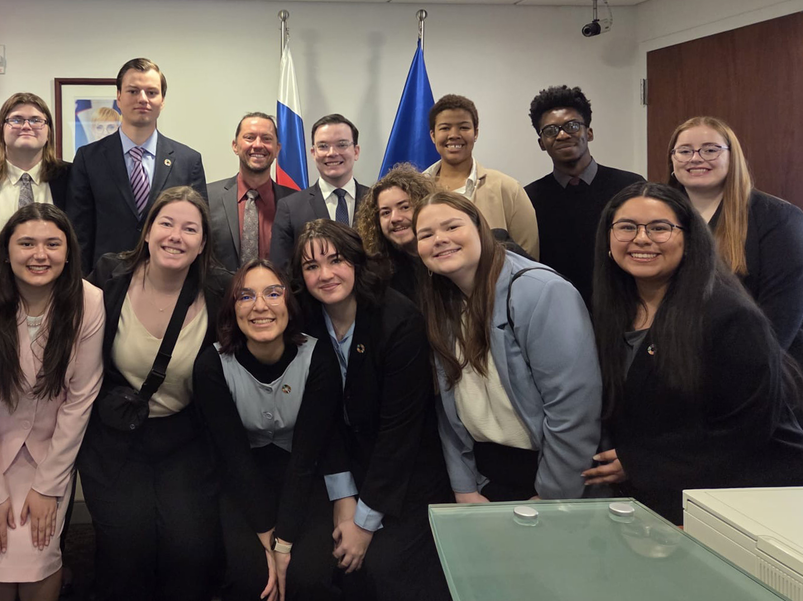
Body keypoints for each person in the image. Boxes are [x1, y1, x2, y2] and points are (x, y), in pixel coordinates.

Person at [583, 182, 803, 524]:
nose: (642, 238)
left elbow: (749, 430)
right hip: (651, 497)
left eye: (659, 228)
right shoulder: (612, 310)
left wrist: (642, 462)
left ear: (689, 239)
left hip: (733, 501)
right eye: (627, 227)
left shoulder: (730, 317)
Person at [79, 186, 229, 601]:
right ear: (147, 232)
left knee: (190, 548)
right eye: (165, 224)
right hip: (115, 437)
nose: (175, 236)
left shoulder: (220, 293)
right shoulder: (110, 278)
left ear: (202, 244)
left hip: (186, 438)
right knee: (127, 548)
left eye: (189, 229)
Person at [290, 220, 451, 601]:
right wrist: (344, 501)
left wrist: (363, 522)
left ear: (358, 262)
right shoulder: (307, 322)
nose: (325, 275)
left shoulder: (398, 320)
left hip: (407, 470)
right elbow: (320, 418)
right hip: (345, 462)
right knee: (322, 563)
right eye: (311, 267)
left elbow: (401, 432)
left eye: (336, 260)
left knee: (385, 567)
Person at [0, 204, 104, 601]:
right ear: (6, 251)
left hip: (50, 454)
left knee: (40, 553)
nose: (40, 255)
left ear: (68, 251)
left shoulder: (89, 302)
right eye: (27, 244)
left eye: (52, 244)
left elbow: (80, 398)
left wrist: (49, 485)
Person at [412, 191, 601, 503]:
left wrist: (552, 495)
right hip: (485, 477)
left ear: (480, 229)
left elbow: (573, 409)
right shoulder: (440, 301)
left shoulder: (540, 292)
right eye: (426, 234)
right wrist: (465, 486)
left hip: (547, 478)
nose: (440, 239)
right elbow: (447, 406)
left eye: (452, 227)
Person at [194, 259, 345, 601]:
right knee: (254, 583)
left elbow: (307, 457)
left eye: (273, 293)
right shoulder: (211, 365)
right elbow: (234, 459)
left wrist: (284, 543)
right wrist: (267, 536)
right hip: (243, 480)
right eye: (246, 297)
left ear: (289, 303)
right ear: (233, 309)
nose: (260, 306)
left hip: (304, 477)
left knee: (306, 580)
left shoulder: (317, 357)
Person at [666, 116, 803, 365]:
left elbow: (781, 319)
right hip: (680, 362)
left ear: (733, 156)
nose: (696, 158)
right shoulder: (660, 217)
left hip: (755, 367)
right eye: (684, 151)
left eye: (710, 150)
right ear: (673, 160)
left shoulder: (778, 218)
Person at [69, 58, 208, 272]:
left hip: (171, 280)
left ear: (162, 100)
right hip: (105, 283)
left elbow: (198, 230)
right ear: (118, 96)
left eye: (151, 92)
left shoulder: (188, 161)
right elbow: (80, 233)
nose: (142, 99)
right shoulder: (89, 158)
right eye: (133, 91)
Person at [523, 86, 643, 306]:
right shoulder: (528, 199)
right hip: (557, 311)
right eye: (550, 130)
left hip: (625, 308)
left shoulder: (631, 187)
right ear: (541, 143)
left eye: (572, 126)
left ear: (589, 132)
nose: (562, 135)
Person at [423, 94, 539, 259]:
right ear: (433, 135)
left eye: (463, 127)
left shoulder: (508, 189)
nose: (454, 134)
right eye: (445, 128)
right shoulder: (416, 190)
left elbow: (528, 257)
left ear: (475, 133)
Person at [0, 93, 71, 244]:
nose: (26, 126)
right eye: (16, 120)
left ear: (49, 133)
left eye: (36, 120)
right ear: (2, 129)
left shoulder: (71, 176)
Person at [269, 114, 370, 269]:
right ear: (313, 153)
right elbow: (281, 271)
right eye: (323, 146)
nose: (331, 153)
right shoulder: (290, 208)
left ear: (356, 151)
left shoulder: (376, 201)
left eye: (342, 144)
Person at [207, 112, 296, 271]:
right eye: (249, 137)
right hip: (219, 295)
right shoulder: (207, 197)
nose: (258, 145)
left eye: (267, 139)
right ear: (235, 146)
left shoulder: (295, 201)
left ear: (277, 149)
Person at [353, 164, 439, 303]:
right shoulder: (376, 275)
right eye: (386, 212)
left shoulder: (448, 255)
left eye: (404, 207)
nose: (395, 218)